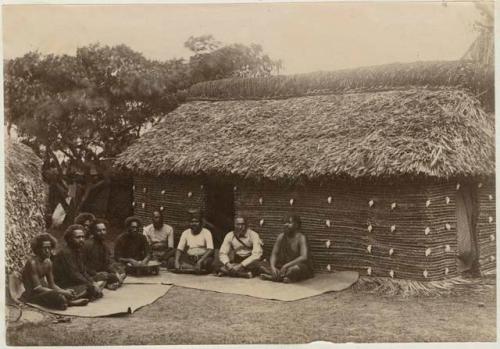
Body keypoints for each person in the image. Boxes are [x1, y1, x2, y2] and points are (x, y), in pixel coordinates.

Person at [20, 234, 89, 309]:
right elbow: (37, 288)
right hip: (32, 295)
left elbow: (52, 285)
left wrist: (63, 291)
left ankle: (67, 300)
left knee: (70, 292)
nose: (47, 251)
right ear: (37, 249)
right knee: (59, 297)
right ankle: (70, 303)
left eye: (49, 248)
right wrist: (63, 292)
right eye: (44, 248)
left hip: (44, 292)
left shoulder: (48, 262)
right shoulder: (32, 263)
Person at [53, 225, 105, 300]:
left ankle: (85, 293)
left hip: (75, 282)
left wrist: (93, 282)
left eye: (83, 237)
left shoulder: (78, 251)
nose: (81, 239)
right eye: (78, 237)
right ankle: (71, 297)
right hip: (65, 284)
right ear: (69, 239)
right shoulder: (65, 253)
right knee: (90, 288)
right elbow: (73, 274)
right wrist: (90, 284)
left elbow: (83, 271)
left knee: (100, 281)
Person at [260, 215, 314, 283]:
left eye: (289, 222)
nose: (286, 225)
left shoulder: (301, 238)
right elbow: (274, 254)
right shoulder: (281, 236)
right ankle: (282, 277)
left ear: (296, 225)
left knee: (294, 269)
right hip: (282, 265)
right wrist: (273, 267)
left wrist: (287, 265)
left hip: (297, 265)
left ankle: (274, 277)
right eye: (284, 223)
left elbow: (304, 257)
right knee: (262, 265)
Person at [84, 218, 126, 290]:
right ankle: (104, 284)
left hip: (102, 272)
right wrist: (96, 274)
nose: (102, 232)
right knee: (106, 277)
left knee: (121, 273)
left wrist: (116, 273)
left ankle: (106, 283)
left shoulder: (103, 244)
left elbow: (106, 263)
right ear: (93, 232)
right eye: (99, 231)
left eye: (104, 230)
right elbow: (82, 265)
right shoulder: (88, 245)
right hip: (90, 274)